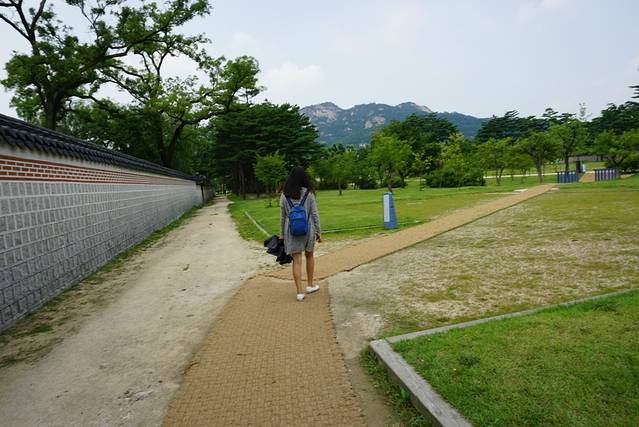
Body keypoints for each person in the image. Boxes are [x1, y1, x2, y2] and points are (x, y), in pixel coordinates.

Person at [279, 167, 321, 301]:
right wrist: (319, 231)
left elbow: (282, 217)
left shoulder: (284, 195)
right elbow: (314, 214)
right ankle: (310, 285)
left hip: (291, 231)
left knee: (296, 261)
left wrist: (282, 234)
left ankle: (299, 292)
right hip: (308, 229)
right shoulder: (309, 194)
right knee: (309, 256)